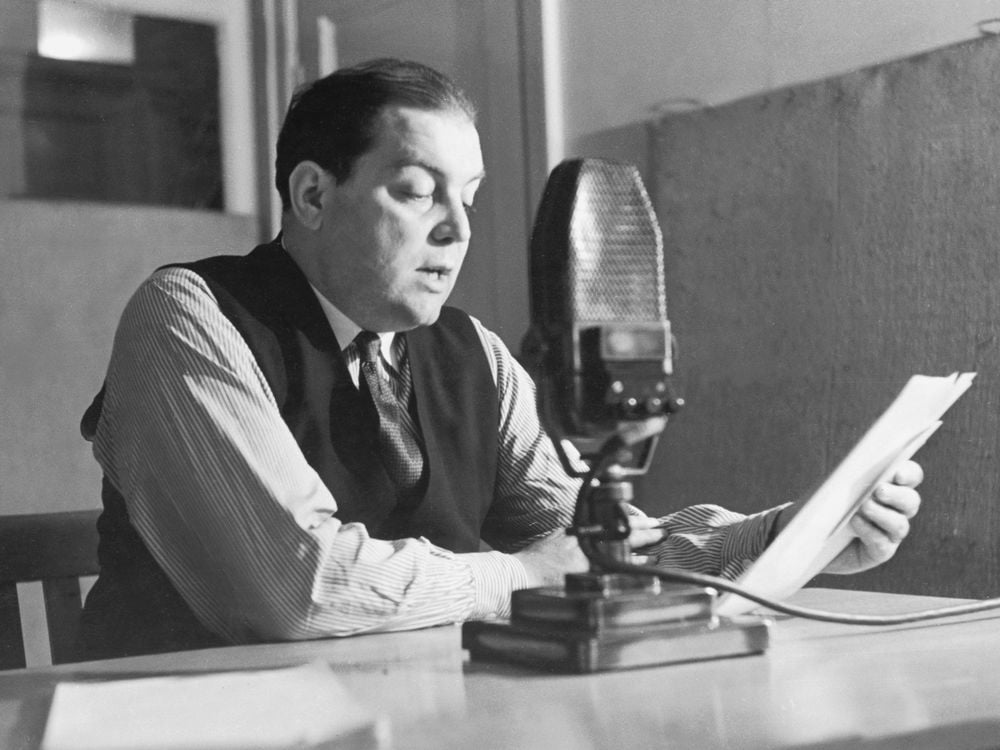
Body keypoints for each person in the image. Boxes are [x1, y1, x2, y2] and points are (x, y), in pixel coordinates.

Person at [78, 58, 923, 659]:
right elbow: (297, 589)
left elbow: (592, 542)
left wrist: (791, 535)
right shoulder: (189, 317)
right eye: (418, 192)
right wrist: (518, 578)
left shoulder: (470, 352)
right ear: (311, 194)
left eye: (470, 196)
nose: (458, 228)